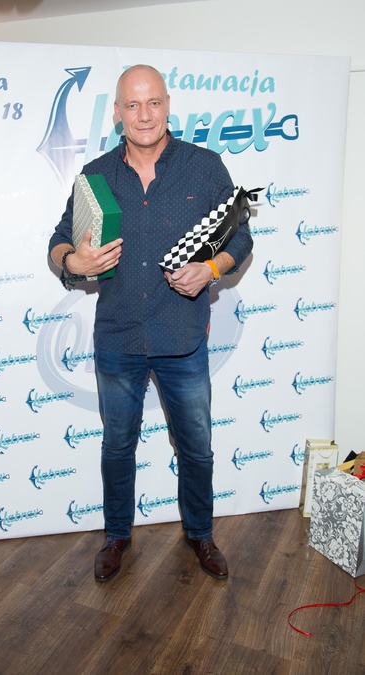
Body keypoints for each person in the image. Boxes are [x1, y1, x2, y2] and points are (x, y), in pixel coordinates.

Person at [48, 64, 253, 582]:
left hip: (182, 336)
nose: (144, 115)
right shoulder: (95, 176)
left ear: (167, 106)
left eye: (153, 102)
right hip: (117, 337)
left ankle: (200, 534)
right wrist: (74, 261)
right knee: (118, 445)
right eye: (133, 105)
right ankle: (116, 536)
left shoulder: (205, 167)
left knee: (197, 446)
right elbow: (58, 240)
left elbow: (240, 236)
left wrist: (211, 270)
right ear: (117, 113)